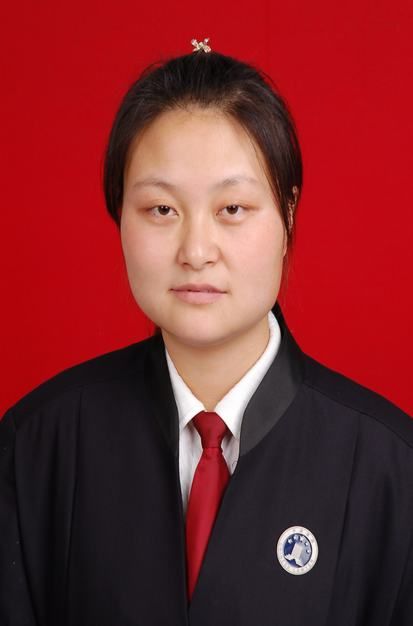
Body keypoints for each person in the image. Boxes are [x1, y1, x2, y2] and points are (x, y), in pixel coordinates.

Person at [1, 37, 412, 626]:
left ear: (288, 213)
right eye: (161, 210)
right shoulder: (37, 446)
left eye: (232, 209)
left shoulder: (390, 467)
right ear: (119, 216)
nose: (196, 251)